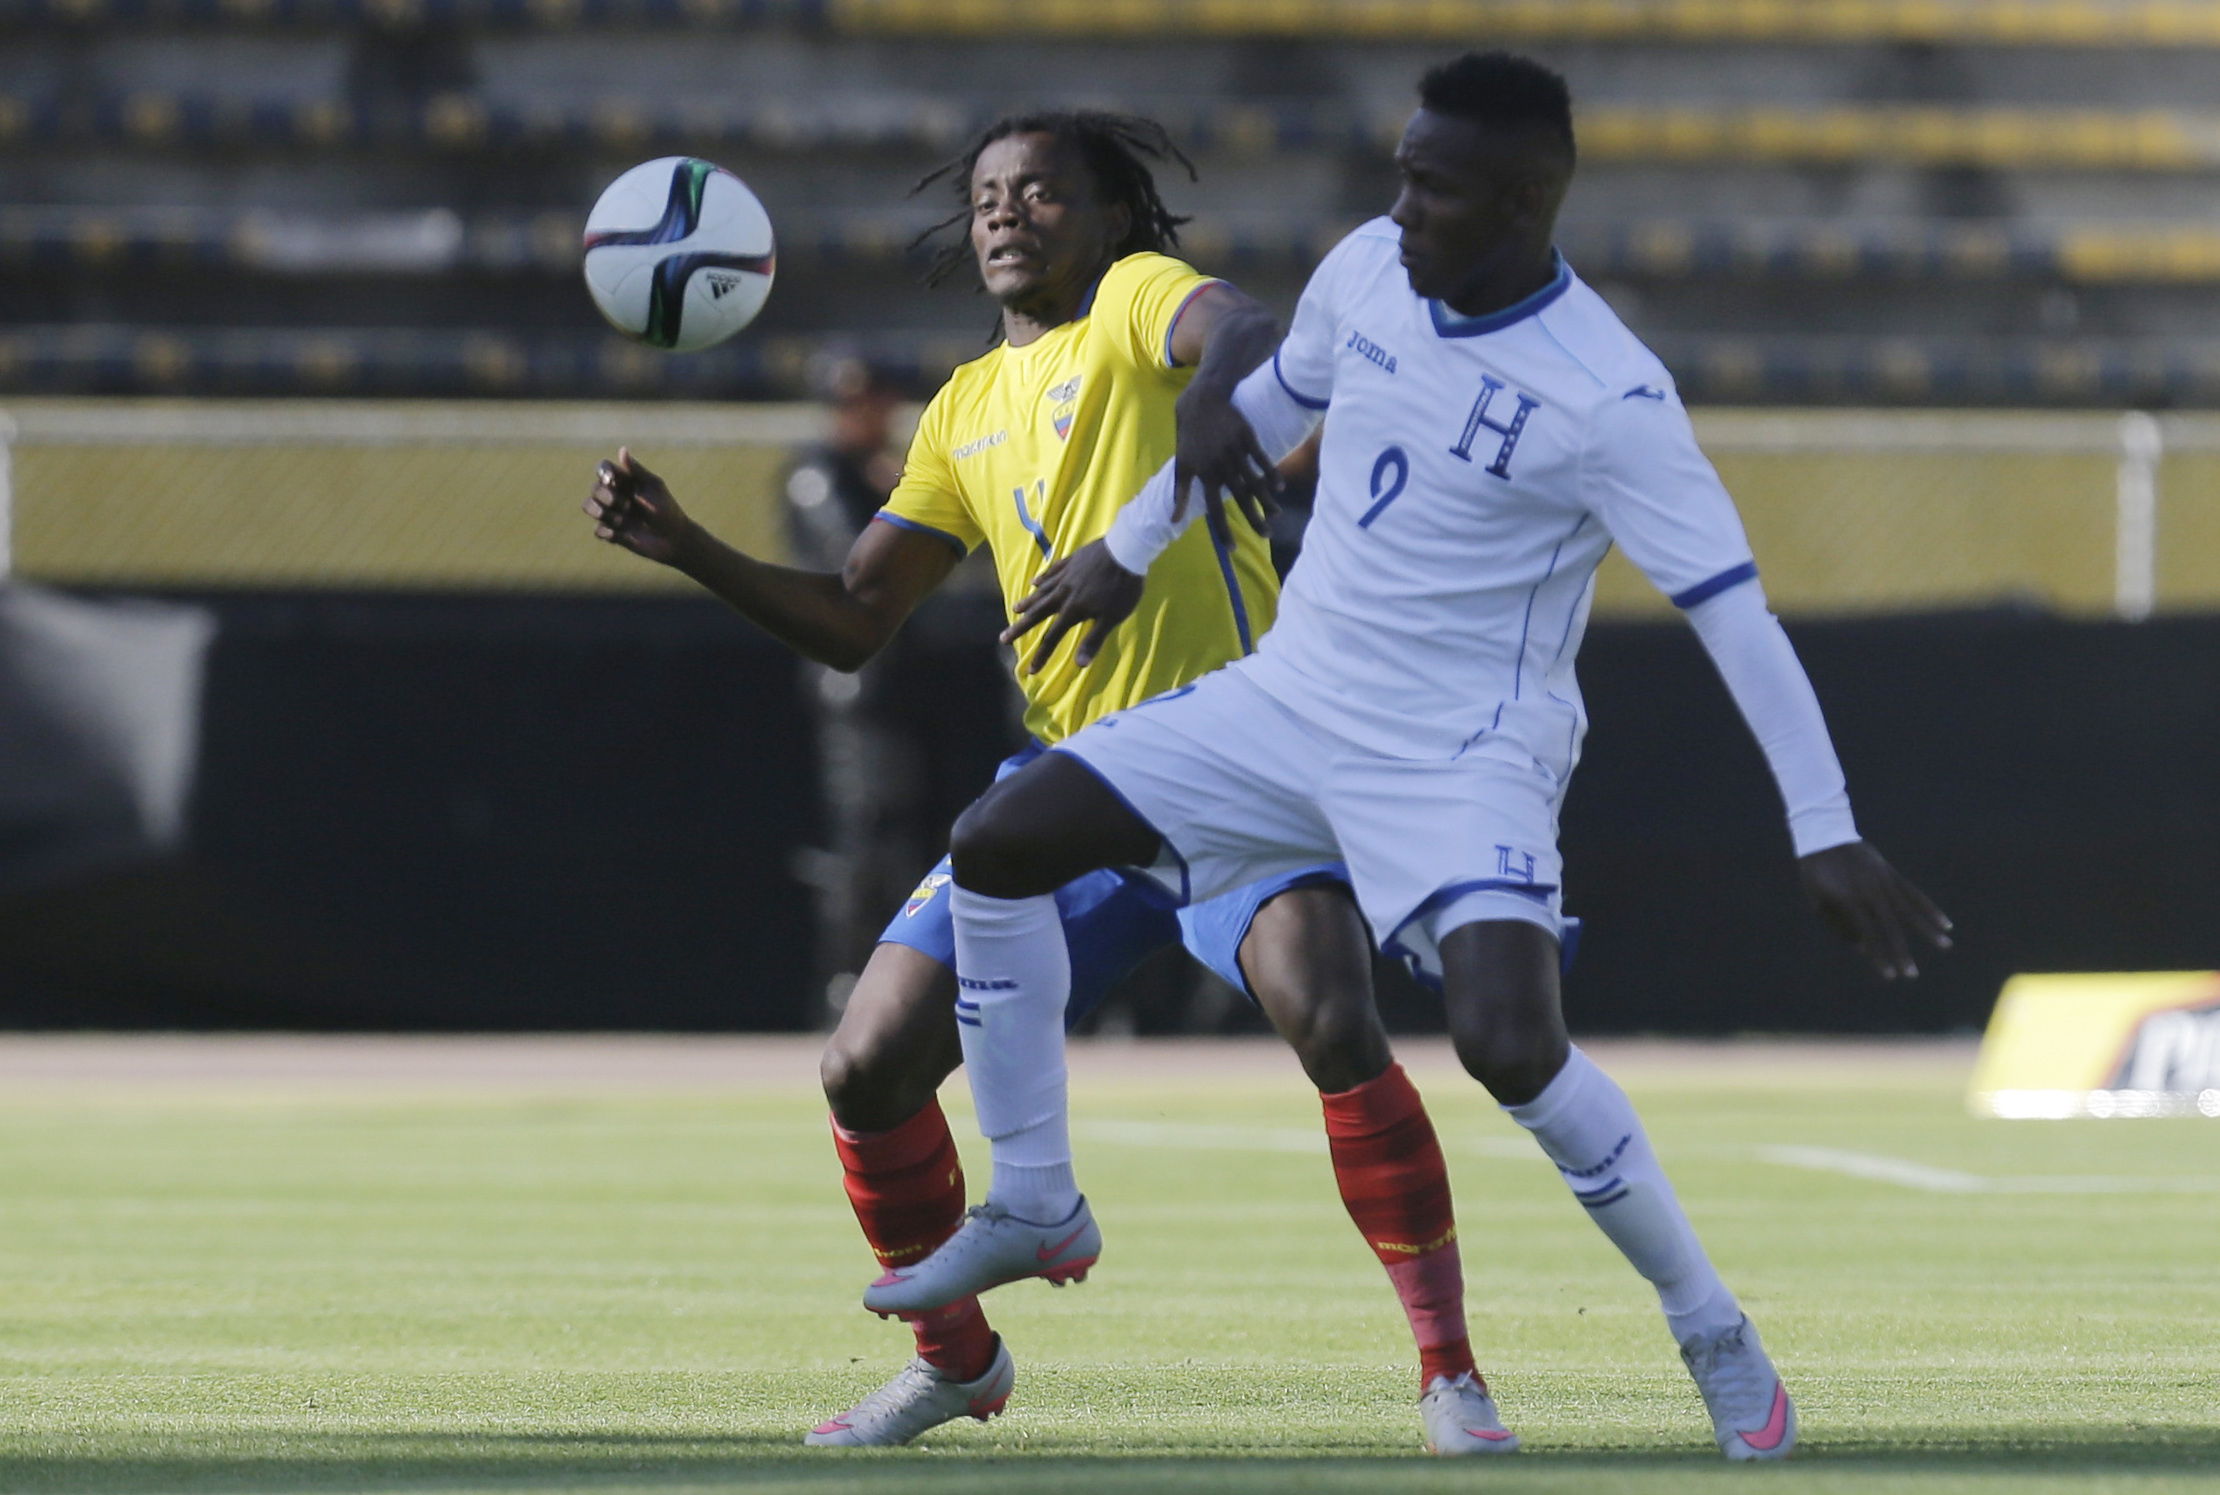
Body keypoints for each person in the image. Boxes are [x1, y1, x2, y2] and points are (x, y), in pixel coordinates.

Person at [871, 55, 1954, 1462]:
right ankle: (1033, 1199)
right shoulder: (1373, 268)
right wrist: (1129, 556)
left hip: (1466, 752)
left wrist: (1826, 825)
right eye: (1399, 172)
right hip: (1289, 698)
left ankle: (1709, 1326)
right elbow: (1261, 412)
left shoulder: (1612, 395)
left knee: (1512, 1048)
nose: (1400, 206)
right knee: (997, 841)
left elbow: (1734, 619)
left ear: (1523, 202)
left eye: (1432, 186)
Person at [584, 110, 1512, 1455]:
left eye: (1040, 192)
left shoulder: (1138, 305)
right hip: (1067, 795)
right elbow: (856, 614)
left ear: (1111, 217)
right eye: (987, 198)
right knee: (865, 1062)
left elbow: (1245, 334)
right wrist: (692, 549)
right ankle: (957, 1362)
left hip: (1231, 765)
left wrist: (1216, 404)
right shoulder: (965, 407)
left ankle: (1450, 1374)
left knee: (1331, 1015)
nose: (1007, 213)